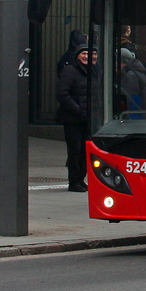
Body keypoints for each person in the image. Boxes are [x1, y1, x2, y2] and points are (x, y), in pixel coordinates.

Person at [56, 45, 94, 192]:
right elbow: (62, 93)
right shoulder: (70, 70)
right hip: (73, 119)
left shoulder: (95, 71)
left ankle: (80, 179)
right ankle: (74, 181)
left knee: (86, 151)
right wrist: (77, 109)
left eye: (92, 53)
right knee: (75, 150)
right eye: (84, 53)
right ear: (77, 55)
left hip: (89, 119)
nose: (88, 56)